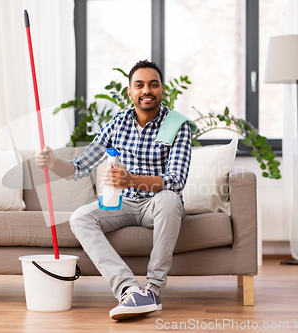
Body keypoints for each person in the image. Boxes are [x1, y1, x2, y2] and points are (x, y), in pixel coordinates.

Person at [35, 60, 192, 320]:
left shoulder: (177, 125)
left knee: (169, 199)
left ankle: (152, 290)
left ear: (162, 90)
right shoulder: (117, 123)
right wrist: (53, 164)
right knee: (80, 217)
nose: (146, 90)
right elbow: (79, 167)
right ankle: (129, 290)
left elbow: (176, 180)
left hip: (157, 205)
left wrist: (131, 180)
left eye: (153, 85)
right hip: (123, 204)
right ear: (129, 92)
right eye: (139, 85)